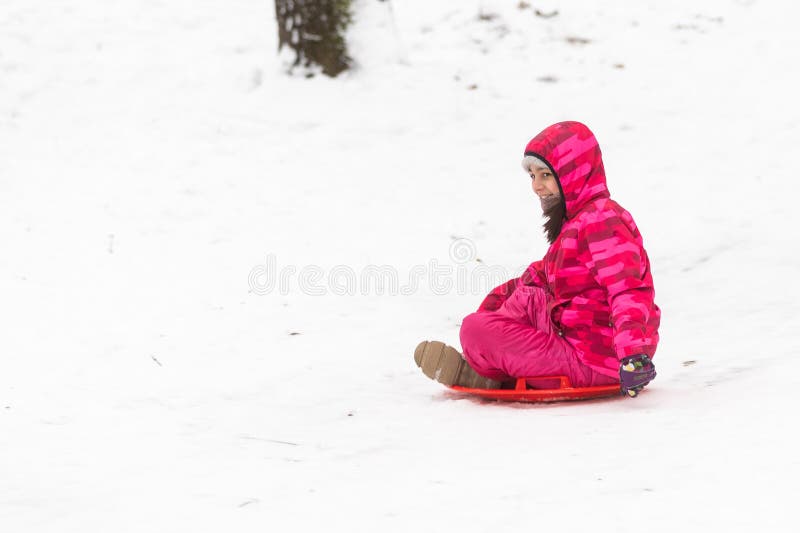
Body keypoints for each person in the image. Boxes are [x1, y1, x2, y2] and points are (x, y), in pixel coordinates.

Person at [414, 121, 660, 398]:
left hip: (600, 359)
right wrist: (505, 300)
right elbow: (555, 277)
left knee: (476, 329)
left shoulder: (602, 220)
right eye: (532, 175)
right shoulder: (581, 220)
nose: (536, 186)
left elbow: (627, 289)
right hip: (580, 339)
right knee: (522, 296)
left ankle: (488, 369)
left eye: (545, 175)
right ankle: (489, 358)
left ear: (573, 174)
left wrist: (633, 355)